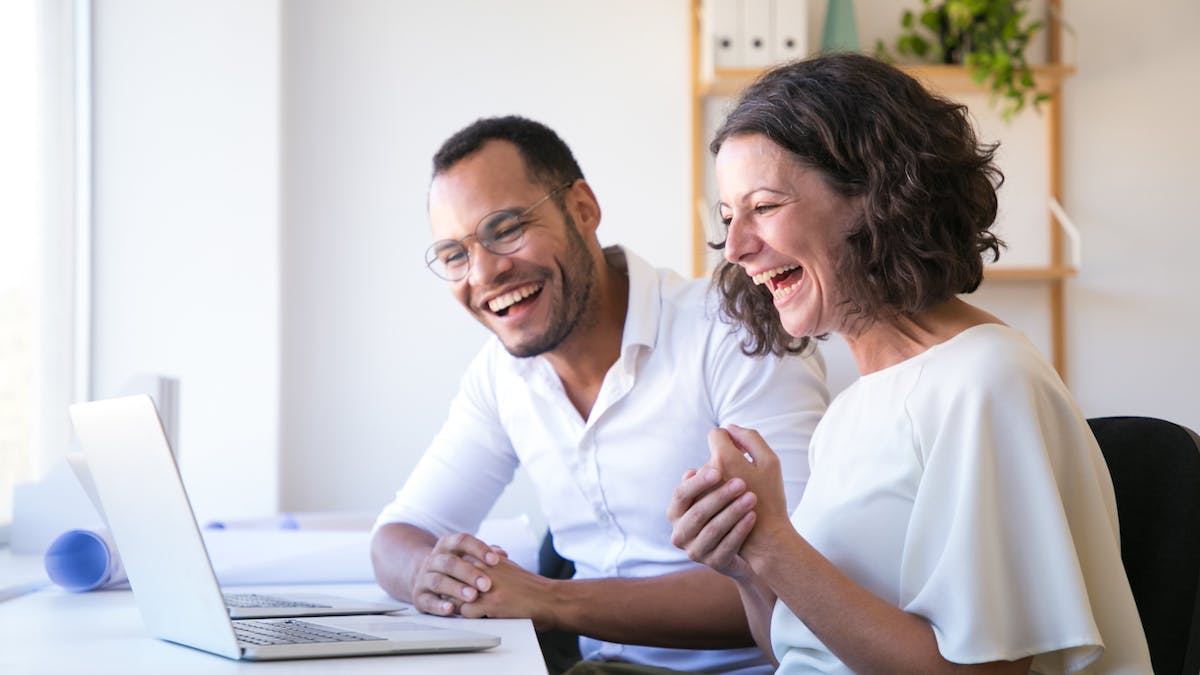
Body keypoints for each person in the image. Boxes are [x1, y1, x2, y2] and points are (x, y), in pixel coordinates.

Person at [667, 53, 1153, 674]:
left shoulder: (984, 382)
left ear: (873, 194)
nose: (735, 248)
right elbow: (801, 655)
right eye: (729, 217)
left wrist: (778, 548)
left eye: (763, 207)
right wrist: (747, 564)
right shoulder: (850, 413)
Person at [370, 115, 830, 674]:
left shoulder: (733, 331)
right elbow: (398, 534)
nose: (484, 272)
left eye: (506, 228)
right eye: (454, 255)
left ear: (583, 209)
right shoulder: (499, 375)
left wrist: (552, 602)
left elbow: (805, 579)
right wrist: (431, 575)